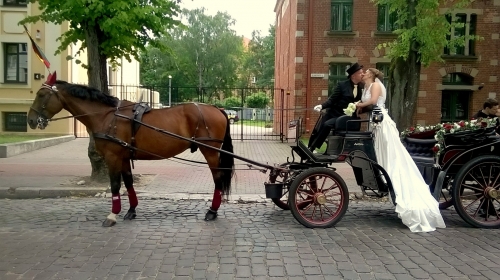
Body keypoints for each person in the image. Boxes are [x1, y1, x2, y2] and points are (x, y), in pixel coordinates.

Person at [356, 68, 446, 232]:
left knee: (389, 150)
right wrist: (360, 108)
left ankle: (388, 173)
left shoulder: (375, 85)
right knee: (379, 149)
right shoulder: (365, 87)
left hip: (381, 121)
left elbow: (374, 101)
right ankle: (382, 172)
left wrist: (359, 104)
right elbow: (368, 105)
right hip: (373, 119)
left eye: (366, 71)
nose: (364, 73)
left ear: (372, 75)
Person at [308, 63, 364, 151]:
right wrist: (321, 106)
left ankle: (315, 148)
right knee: (320, 127)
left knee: (327, 124)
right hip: (334, 113)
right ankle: (311, 147)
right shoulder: (342, 85)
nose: (363, 74)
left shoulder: (362, 87)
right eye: (360, 73)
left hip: (346, 116)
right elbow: (332, 99)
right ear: (353, 75)